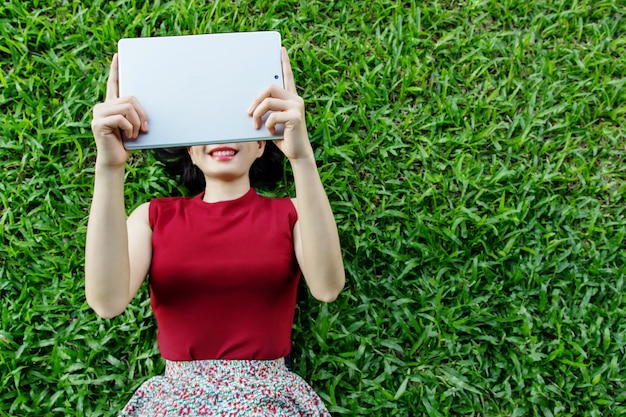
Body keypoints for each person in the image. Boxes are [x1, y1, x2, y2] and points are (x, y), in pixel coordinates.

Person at [85, 46, 345, 416]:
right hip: (176, 402)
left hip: (268, 401)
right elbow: (106, 302)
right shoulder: (154, 217)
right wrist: (108, 168)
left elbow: (327, 287)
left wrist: (302, 157)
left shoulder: (293, 212)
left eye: (235, 123)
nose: (221, 136)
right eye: (206, 126)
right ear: (190, 150)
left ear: (260, 145)